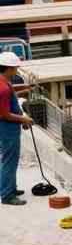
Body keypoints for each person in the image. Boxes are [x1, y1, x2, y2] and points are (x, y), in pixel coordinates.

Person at [0, 52, 32, 206]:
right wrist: (23, 119)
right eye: (15, 68)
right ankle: (7, 195)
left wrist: (21, 91)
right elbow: (4, 114)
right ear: (8, 68)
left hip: (9, 127)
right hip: (8, 129)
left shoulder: (4, 82)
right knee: (9, 161)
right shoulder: (3, 87)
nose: (17, 71)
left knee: (10, 160)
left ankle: (10, 187)